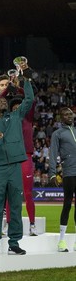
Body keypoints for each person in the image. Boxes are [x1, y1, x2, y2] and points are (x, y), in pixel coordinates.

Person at [0, 76, 34, 256]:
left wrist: (26, 80)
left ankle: (14, 243)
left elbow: (29, 99)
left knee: (16, 206)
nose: (3, 102)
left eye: (5, 101)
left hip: (15, 167)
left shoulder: (15, 116)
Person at [49, 107, 76, 252]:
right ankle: (61, 241)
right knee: (67, 204)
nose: (69, 116)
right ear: (61, 118)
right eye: (66, 114)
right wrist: (52, 174)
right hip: (69, 172)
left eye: (70, 114)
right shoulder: (57, 134)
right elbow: (53, 153)